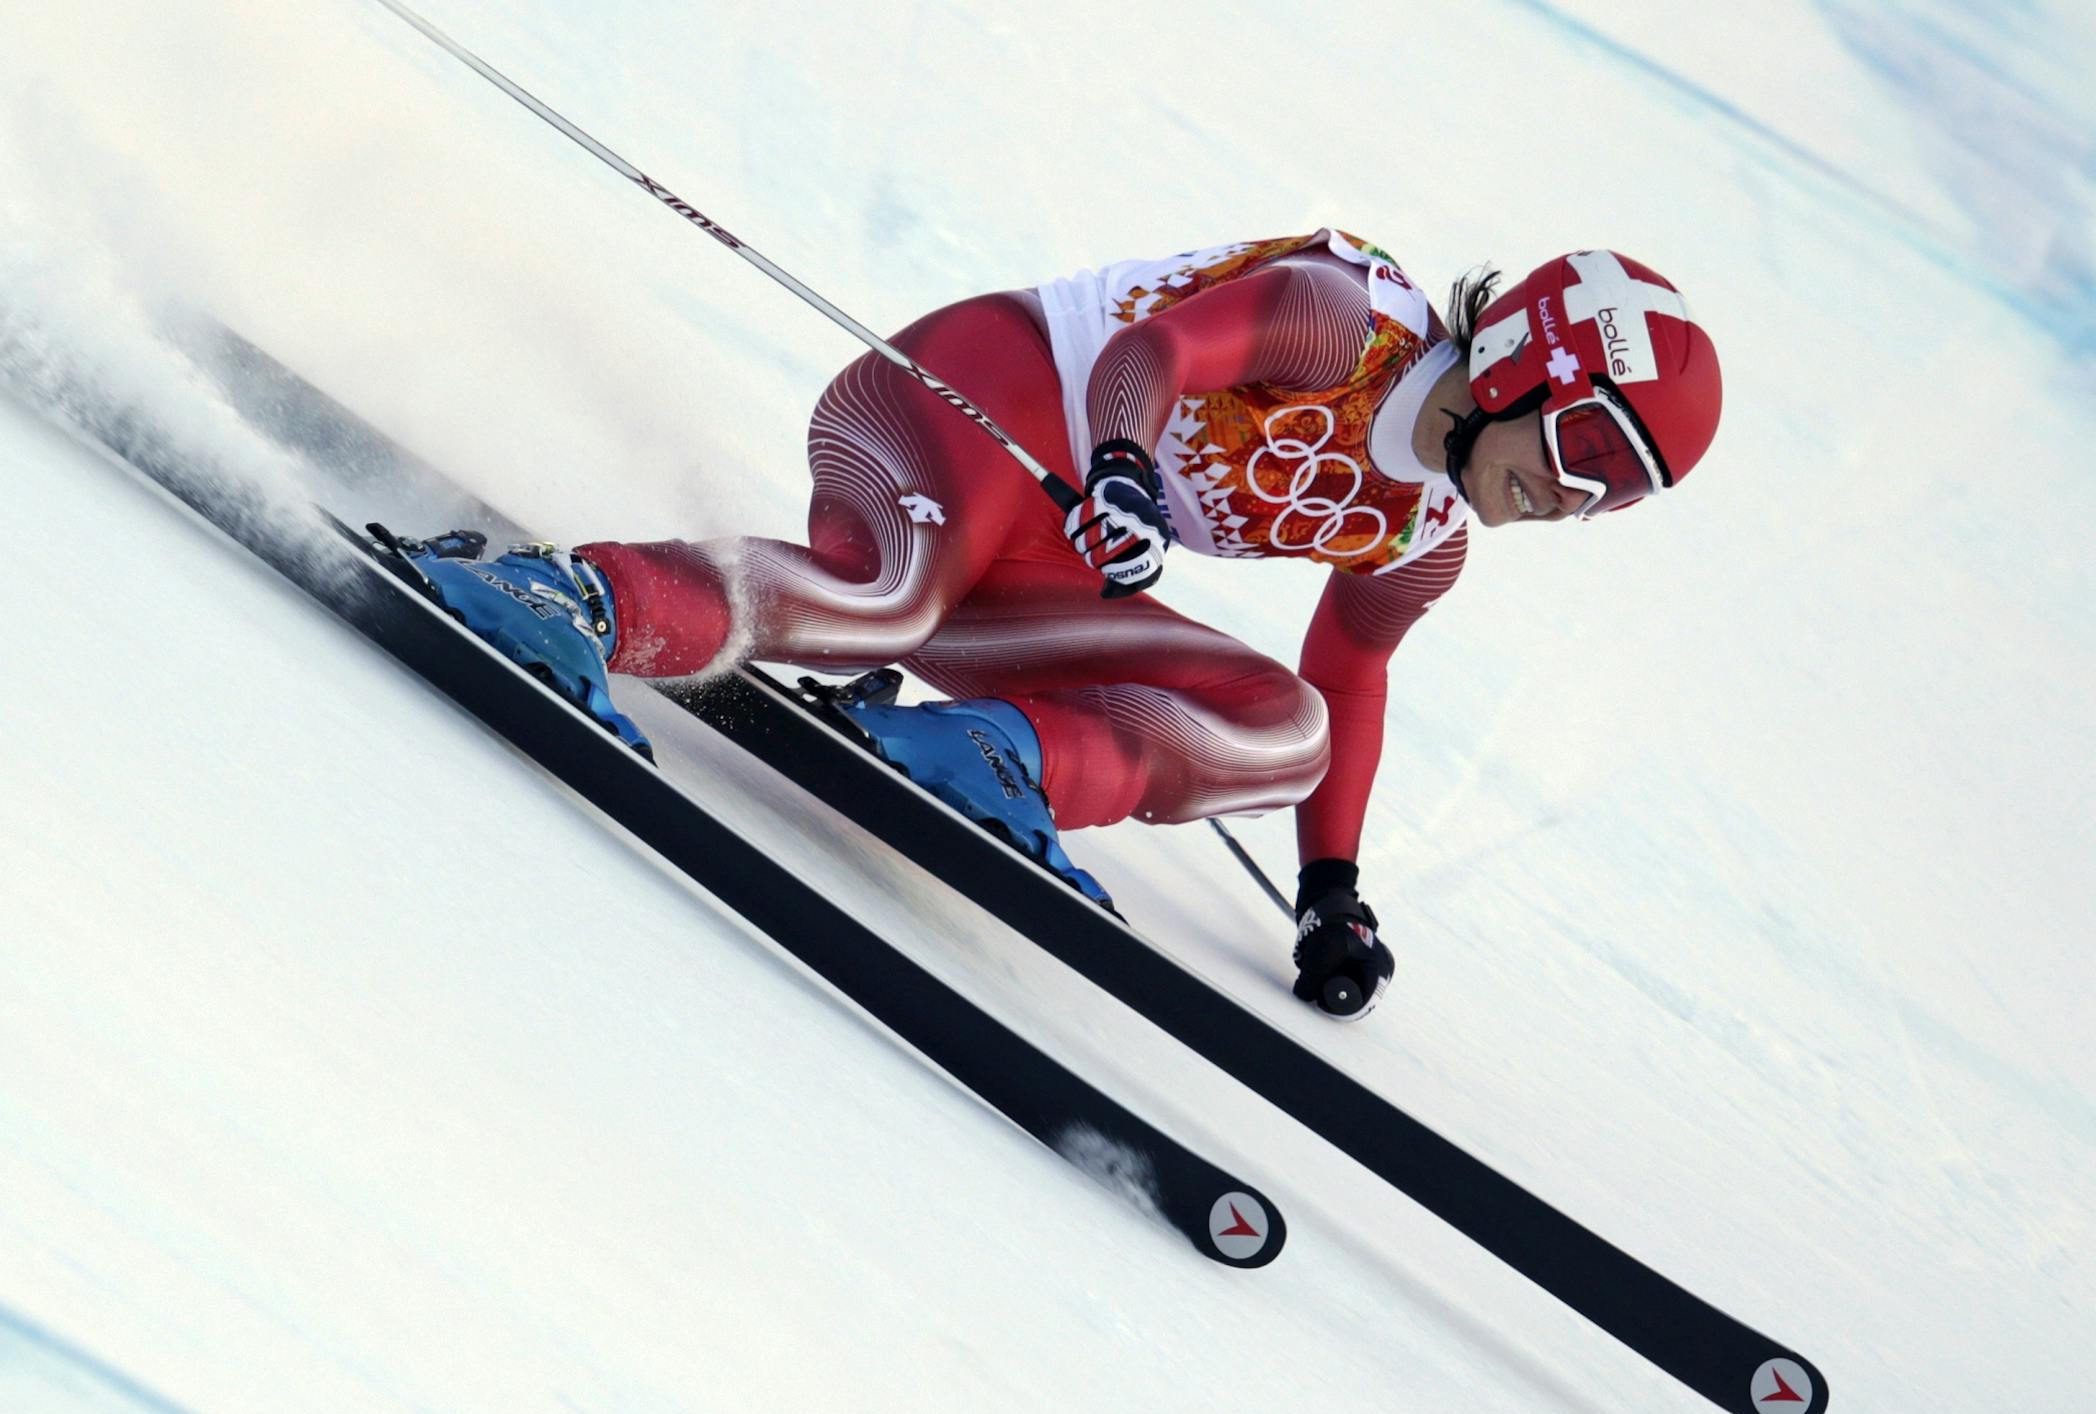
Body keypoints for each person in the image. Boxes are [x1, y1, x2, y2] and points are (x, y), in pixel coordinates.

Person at [402, 232, 1721, 1020]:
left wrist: (1331, 893)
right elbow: (1151, 357)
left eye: (1618, 497)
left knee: (1292, 725)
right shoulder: (1351, 324)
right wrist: (1133, 471)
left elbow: (1354, 674)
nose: (1573, 497)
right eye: (1592, 445)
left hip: (1051, 556)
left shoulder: (1424, 537)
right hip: (974, 399)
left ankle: (990, 759)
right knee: (887, 595)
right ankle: (563, 596)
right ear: (1528, 364)